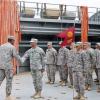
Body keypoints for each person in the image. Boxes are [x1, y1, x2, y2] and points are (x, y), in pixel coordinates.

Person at [0, 36, 22, 100]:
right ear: (12, 41)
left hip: (1, 66)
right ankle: (8, 96)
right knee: (9, 81)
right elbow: (16, 56)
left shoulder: (1, 46)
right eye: (14, 41)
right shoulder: (12, 47)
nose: (14, 42)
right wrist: (21, 62)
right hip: (8, 67)